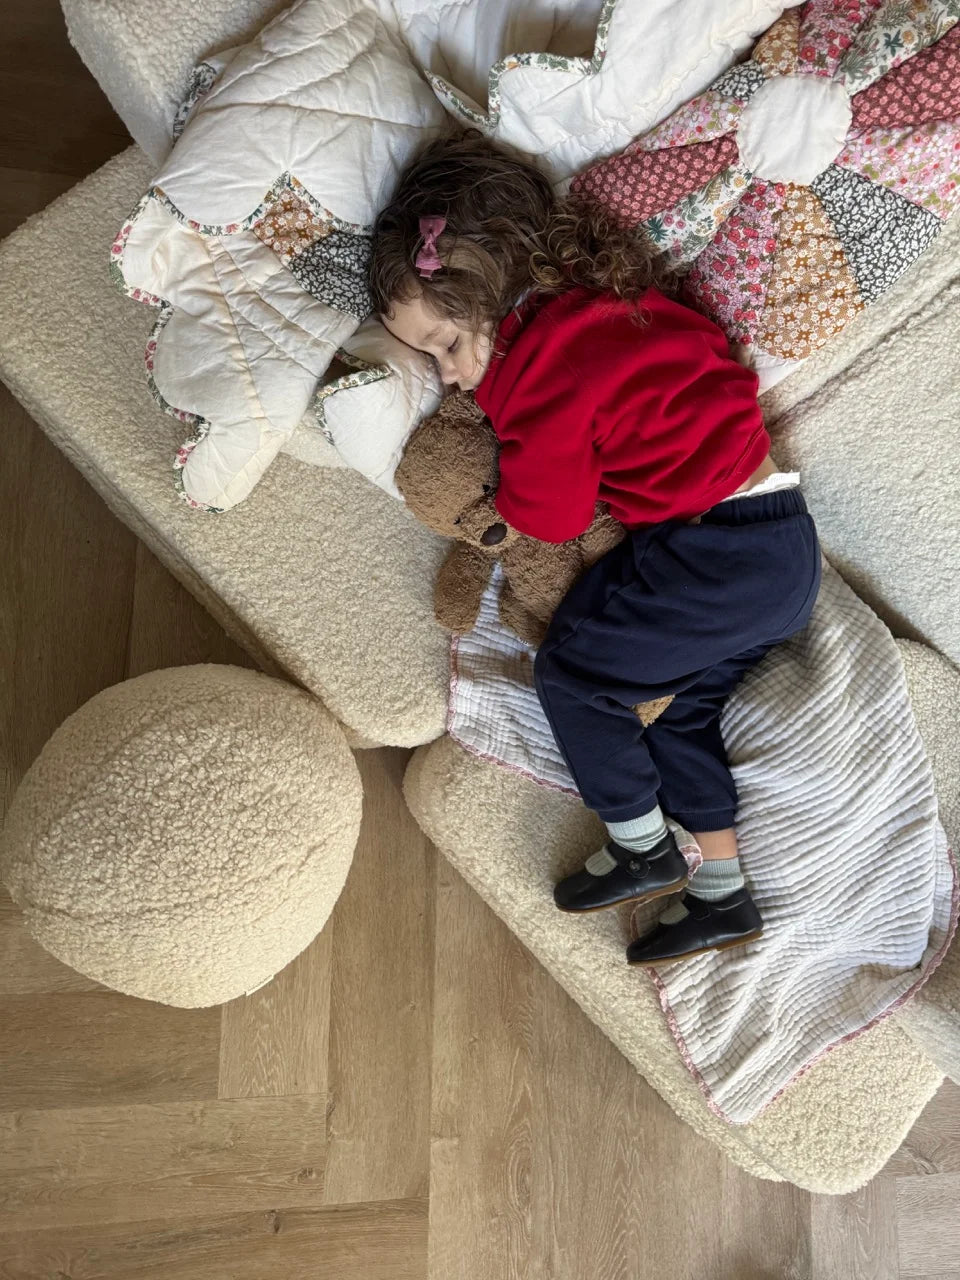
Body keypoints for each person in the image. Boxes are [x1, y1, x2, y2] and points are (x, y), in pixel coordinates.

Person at [370, 133, 821, 964]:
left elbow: (550, 513)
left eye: (444, 347)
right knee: (682, 708)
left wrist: (503, 482)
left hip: (719, 551)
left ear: (493, 293)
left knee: (574, 675)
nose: (448, 380)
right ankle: (722, 892)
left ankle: (641, 841)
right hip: (782, 548)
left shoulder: (536, 376)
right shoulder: (613, 300)